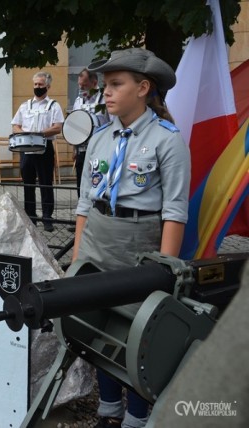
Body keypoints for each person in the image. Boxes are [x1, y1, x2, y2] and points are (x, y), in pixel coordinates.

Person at [73, 48, 190, 428]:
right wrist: (78, 255)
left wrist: (164, 273)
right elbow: (84, 202)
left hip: (140, 242)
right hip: (98, 237)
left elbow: (174, 211)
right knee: (97, 324)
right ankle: (108, 409)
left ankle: (137, 418)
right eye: (105, 85)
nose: (105, 92)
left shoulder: (167, 139)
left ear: (143, 88)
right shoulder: (101, 137)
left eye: (115, 85)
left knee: (138, 333)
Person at [11, 71, 64, 232]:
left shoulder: (53, 105)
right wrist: (23, 133)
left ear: (48, 86)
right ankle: (30, 217)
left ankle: (47, 218)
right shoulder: (25, 105)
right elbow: (15, 124)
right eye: (35, 84)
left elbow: (57, 127)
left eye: (40, 85)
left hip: (44, 148)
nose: (37, 87)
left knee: (45, 184)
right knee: (28, 184)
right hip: (26, 149)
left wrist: (39, 134)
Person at [71, 68, 110, 195]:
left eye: (84, 85)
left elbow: (113, 123)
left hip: (101, 149)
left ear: (94, 83)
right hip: (82, 149)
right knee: (81, 184)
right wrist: (74, 148)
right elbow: (75, 125)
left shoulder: (105, 100)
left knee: (98, 181)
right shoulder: (78, 101)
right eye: (79, 85)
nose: (81, 88)